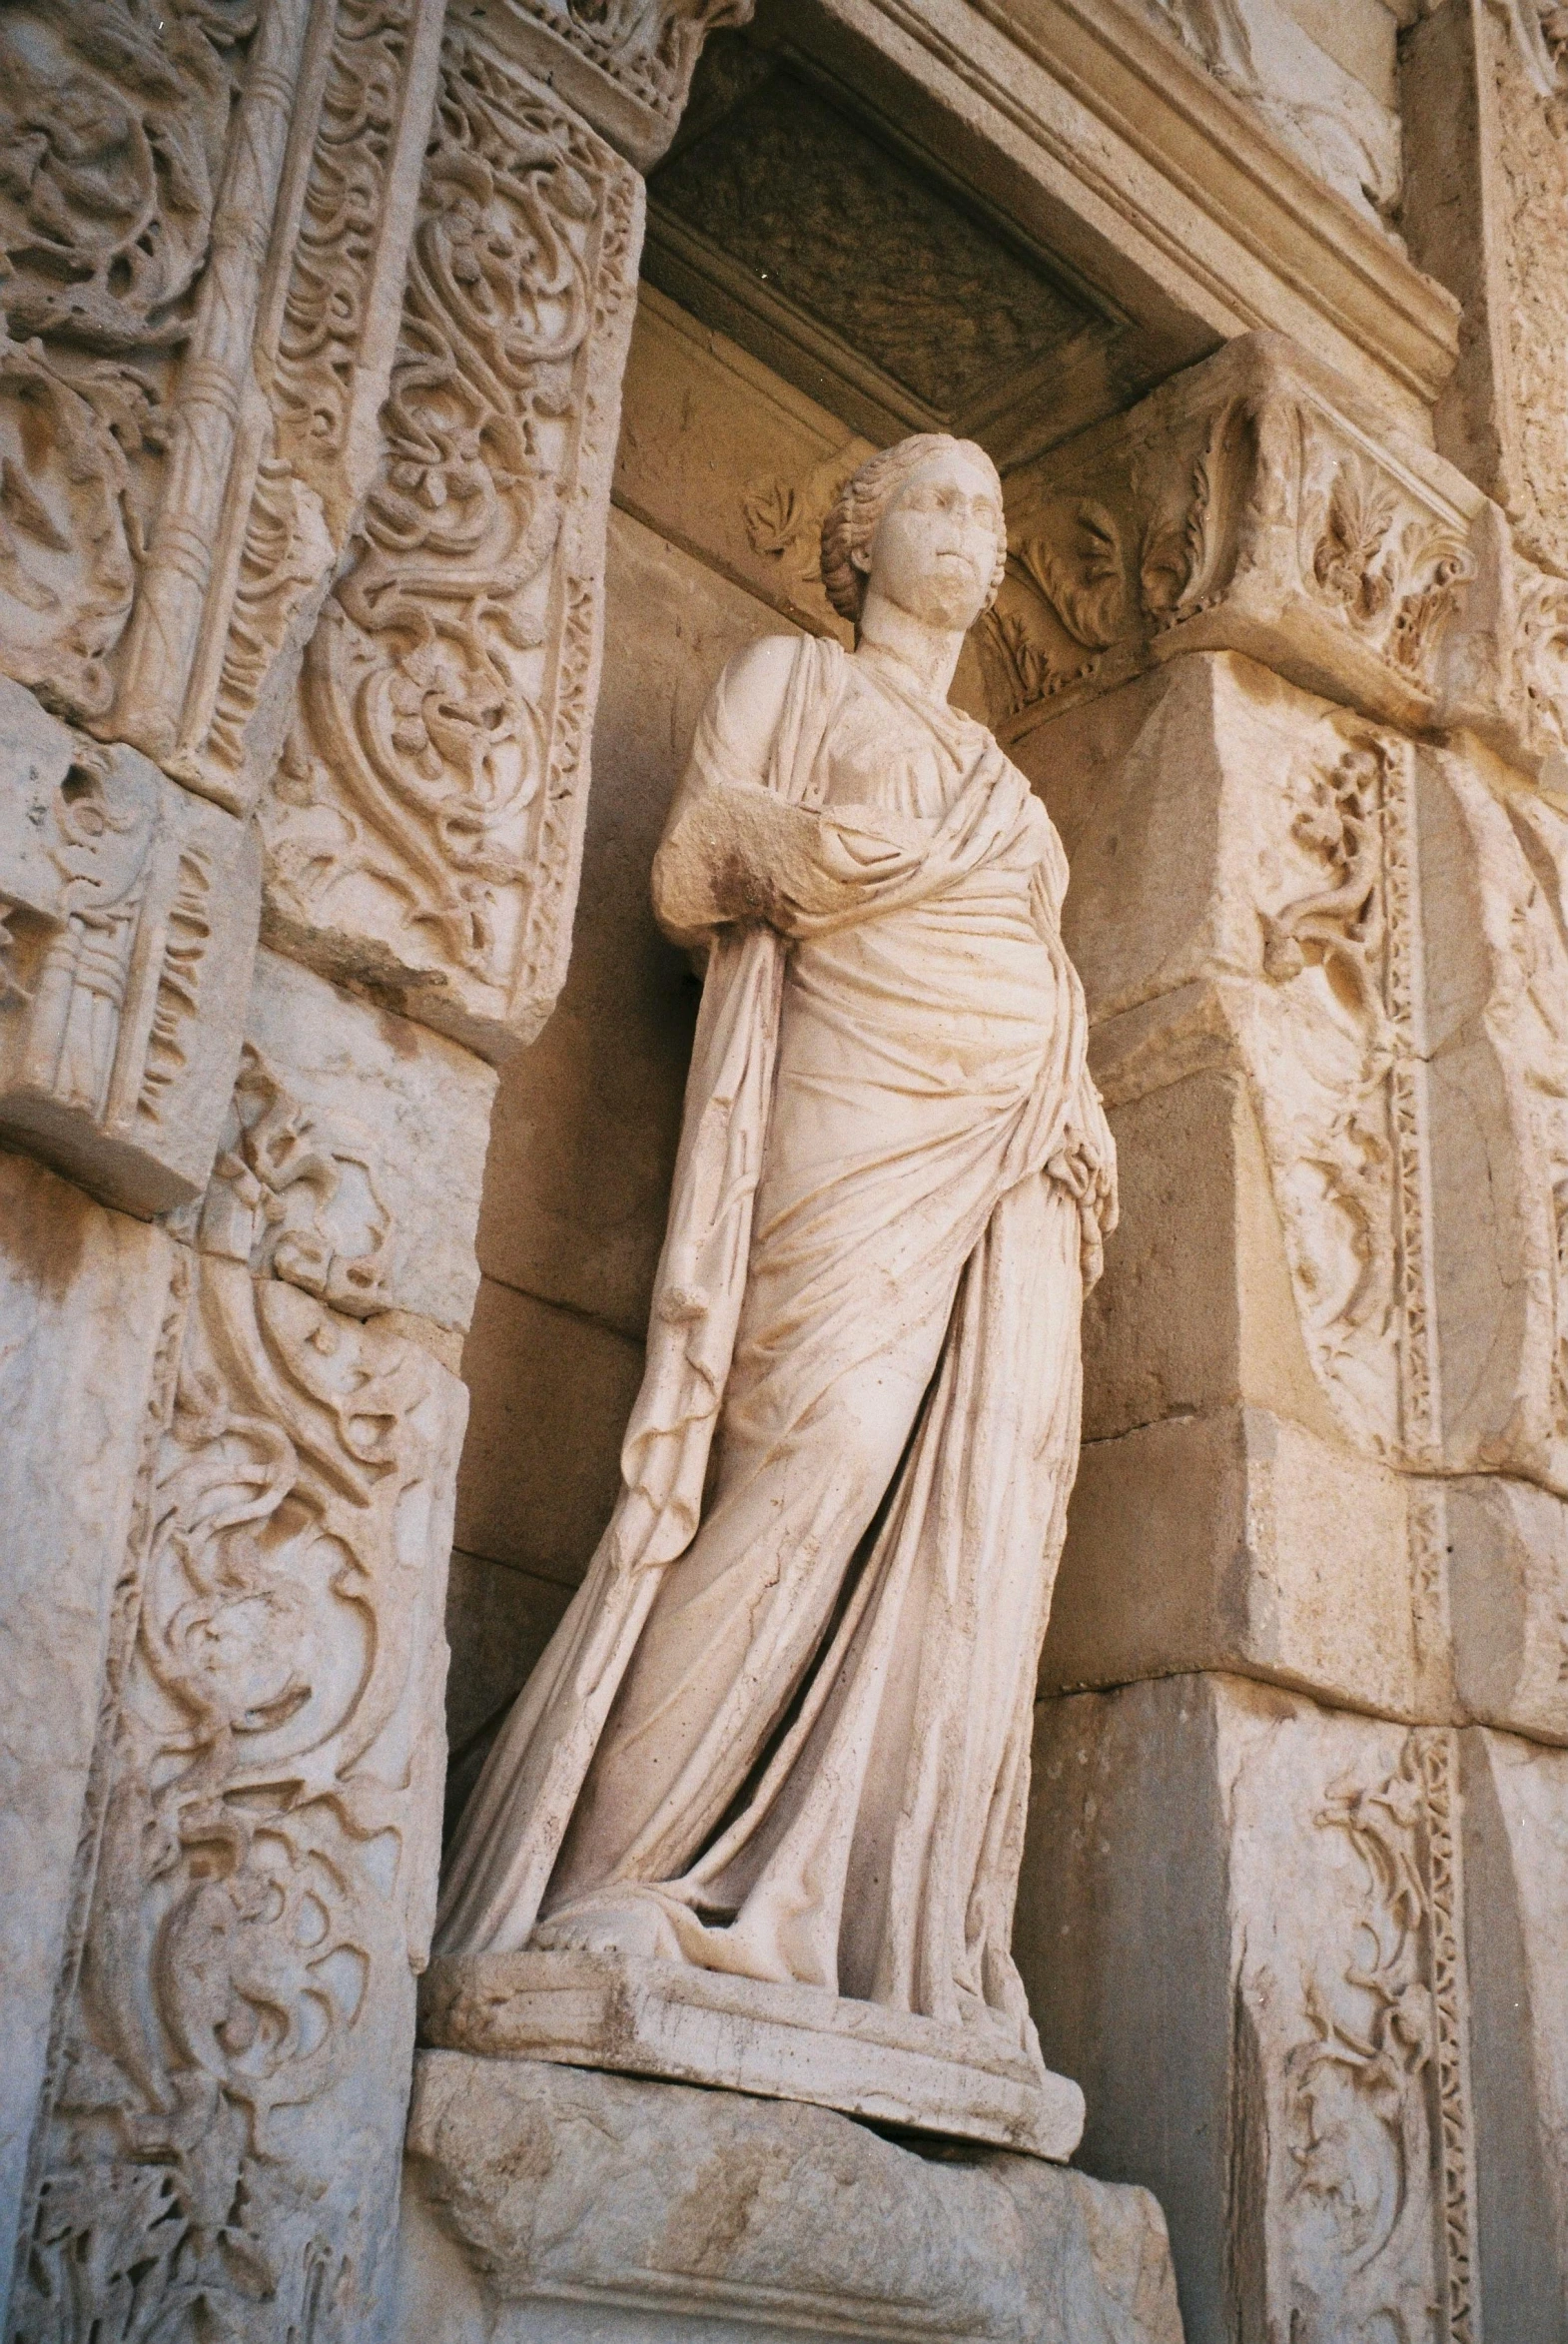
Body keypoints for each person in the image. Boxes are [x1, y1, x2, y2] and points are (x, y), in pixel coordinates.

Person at [435, 432, 1116, 2081]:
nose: (972, 537)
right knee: (812, 1448)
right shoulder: (788, 680)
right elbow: (690, 865)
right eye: (940, 504)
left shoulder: (1008, 789)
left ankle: (880, 1942)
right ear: (862, 535)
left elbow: (1030, 954)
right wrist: (802, 859)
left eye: (990, 513)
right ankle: (610, 1878)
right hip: (852, 1110)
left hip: (1015, 1149)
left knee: (981, 1522)